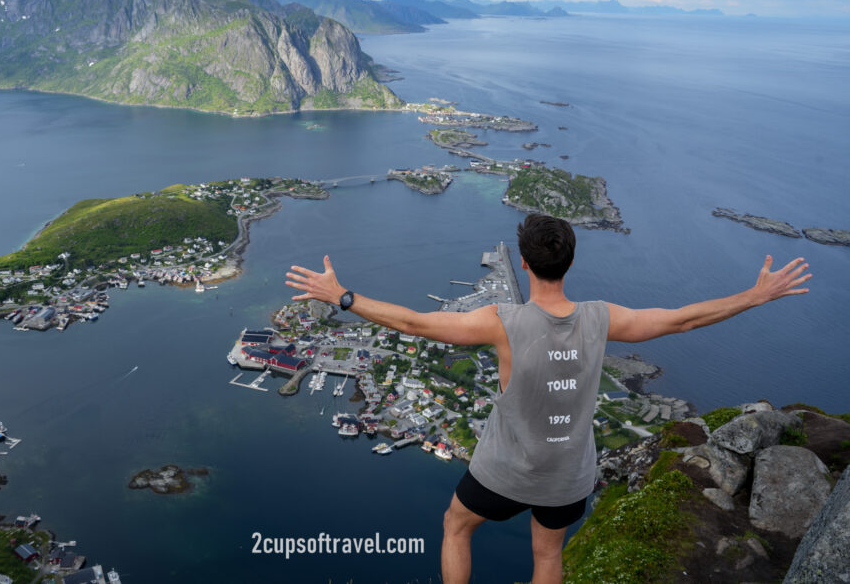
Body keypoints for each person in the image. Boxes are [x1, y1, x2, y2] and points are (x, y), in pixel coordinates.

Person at [285, 213, 811, 584]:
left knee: (455, 526)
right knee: (547, 556)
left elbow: (414, 322)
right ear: (570, 261)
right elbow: (683, 318)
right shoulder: (602, 318)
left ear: (524, 263)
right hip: (567, 476)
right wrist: (755, 294)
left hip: (503, 472)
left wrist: (344, 297)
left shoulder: (502, 322)